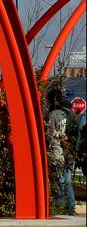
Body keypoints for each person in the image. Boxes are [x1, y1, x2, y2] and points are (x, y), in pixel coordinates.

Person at [46, 86, 76, 215]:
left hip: (56, 153)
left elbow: (49, 136)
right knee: (68, 183)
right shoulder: (70, 113)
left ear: (52, 100)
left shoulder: (53, 115)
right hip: (70, 154)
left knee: (58, 185)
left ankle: (60, 211)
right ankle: (70, 210)